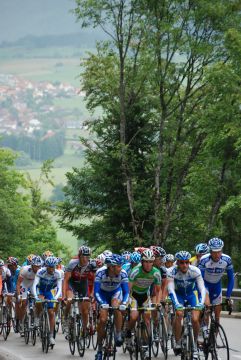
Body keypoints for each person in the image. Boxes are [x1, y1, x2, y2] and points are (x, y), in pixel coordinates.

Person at [167, 251, 206, 359]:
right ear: (177, 263)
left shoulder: (195, 270)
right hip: (178, 295)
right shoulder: (171, 271)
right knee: (179, 314)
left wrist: (200, 304)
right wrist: (176, 304)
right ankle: (178, 341)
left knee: (195, 318)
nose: (184, 265)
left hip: (191, 295)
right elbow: (170, 289)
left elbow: (202, 288)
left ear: (189, 262)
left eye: (187, 262)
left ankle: (196, 340)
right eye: (182, 263)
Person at [94, 254, 129, 360]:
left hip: (115, 293)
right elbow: (96, 292)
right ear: (111, 267)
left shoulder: (123, 273)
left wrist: (124, 303)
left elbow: (126, 291)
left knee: (117, 307)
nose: (121, 268)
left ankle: (118, 333)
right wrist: (101, 303)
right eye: (118, 266)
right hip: (102, 294)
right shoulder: (100, 272)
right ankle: (99, 349)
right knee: (103, 320)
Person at [198, 237, 234, 323]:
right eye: (214, 252)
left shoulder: (227, 260)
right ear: (210, 251)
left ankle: (214, 335)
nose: (217, 255)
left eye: (219, 251)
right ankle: (205, 328)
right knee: (207, 306)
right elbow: (200, 279)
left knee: (217, 316)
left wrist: (228, 296)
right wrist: (201, 294)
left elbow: (231, 278)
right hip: (205, 285)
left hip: (216, 286)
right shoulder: (204, 260)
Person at [63, 246, 96, 334]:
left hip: (83, 284)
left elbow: (96, 281)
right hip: (72, 283)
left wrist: (92, 293)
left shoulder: (92, 264)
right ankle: (65, 318)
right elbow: (66, 280)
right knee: (70, 301)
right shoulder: (72, 263)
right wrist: (64, 296)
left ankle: (85, 329)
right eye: (83, 257)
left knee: (85, 311)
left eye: (87, 257)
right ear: (79, 256)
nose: (85, 259)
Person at [32, 256, 62, 346]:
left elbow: (59, 288)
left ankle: (51, 336)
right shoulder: (40, 271)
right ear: (46, 266)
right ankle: (37, 317)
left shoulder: (58, 273)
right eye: (49, 266)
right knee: (39, 302)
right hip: (40, 290)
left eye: (53, 266)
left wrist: (55, 297)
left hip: (49, 291)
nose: (51, 268)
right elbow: (34, 285)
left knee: (51, 312)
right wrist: (36, 296)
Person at [15, 255, 42, 331]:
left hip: (34, 284)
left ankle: (37, 318)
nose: (37, 268)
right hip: (24, 284)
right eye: (35, 266)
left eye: (39, 266)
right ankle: (22, 322)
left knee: (39, 301)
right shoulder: (25, 269)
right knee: (23, 303)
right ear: (32, 265)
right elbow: (18, 283)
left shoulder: (41, 270)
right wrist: (19, 294)